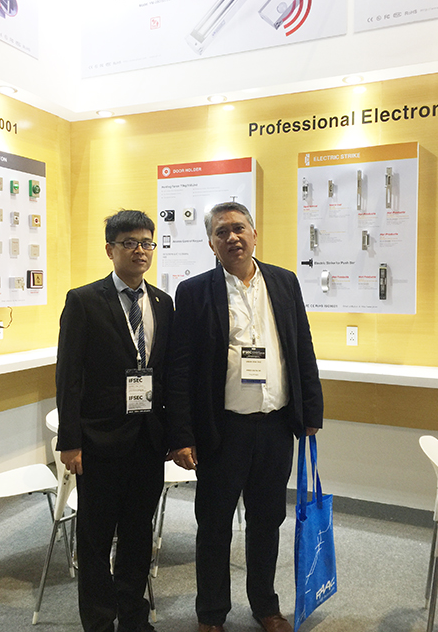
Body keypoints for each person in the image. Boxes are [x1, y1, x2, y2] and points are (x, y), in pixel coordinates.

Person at [166, 202, 324, 632]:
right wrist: (181, 434)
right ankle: (211, 613)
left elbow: (302, 347)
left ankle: (265, 606)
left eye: (239, 229)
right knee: (214, 525)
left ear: (255, 234)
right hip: (222, 430)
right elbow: (180, 368)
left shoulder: (284, 281)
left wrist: (311, 410)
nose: (232, 237)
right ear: (210, 243)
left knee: (267, 522)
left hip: (275, 427)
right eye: (222, 232)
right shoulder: (194, 291)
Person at [56, 209, 173, 632]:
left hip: (147, 441)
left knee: (138, 536)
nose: (140, 250)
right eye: (129, 243)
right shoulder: (84, 300)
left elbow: (167, 374)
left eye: (146, 243)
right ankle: (99, 622)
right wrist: (70, 441)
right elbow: (68, 376)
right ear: (110, 249)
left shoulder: (162, 302)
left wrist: (174, 434)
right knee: (95, 539)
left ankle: (134, 618)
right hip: (98, 442)